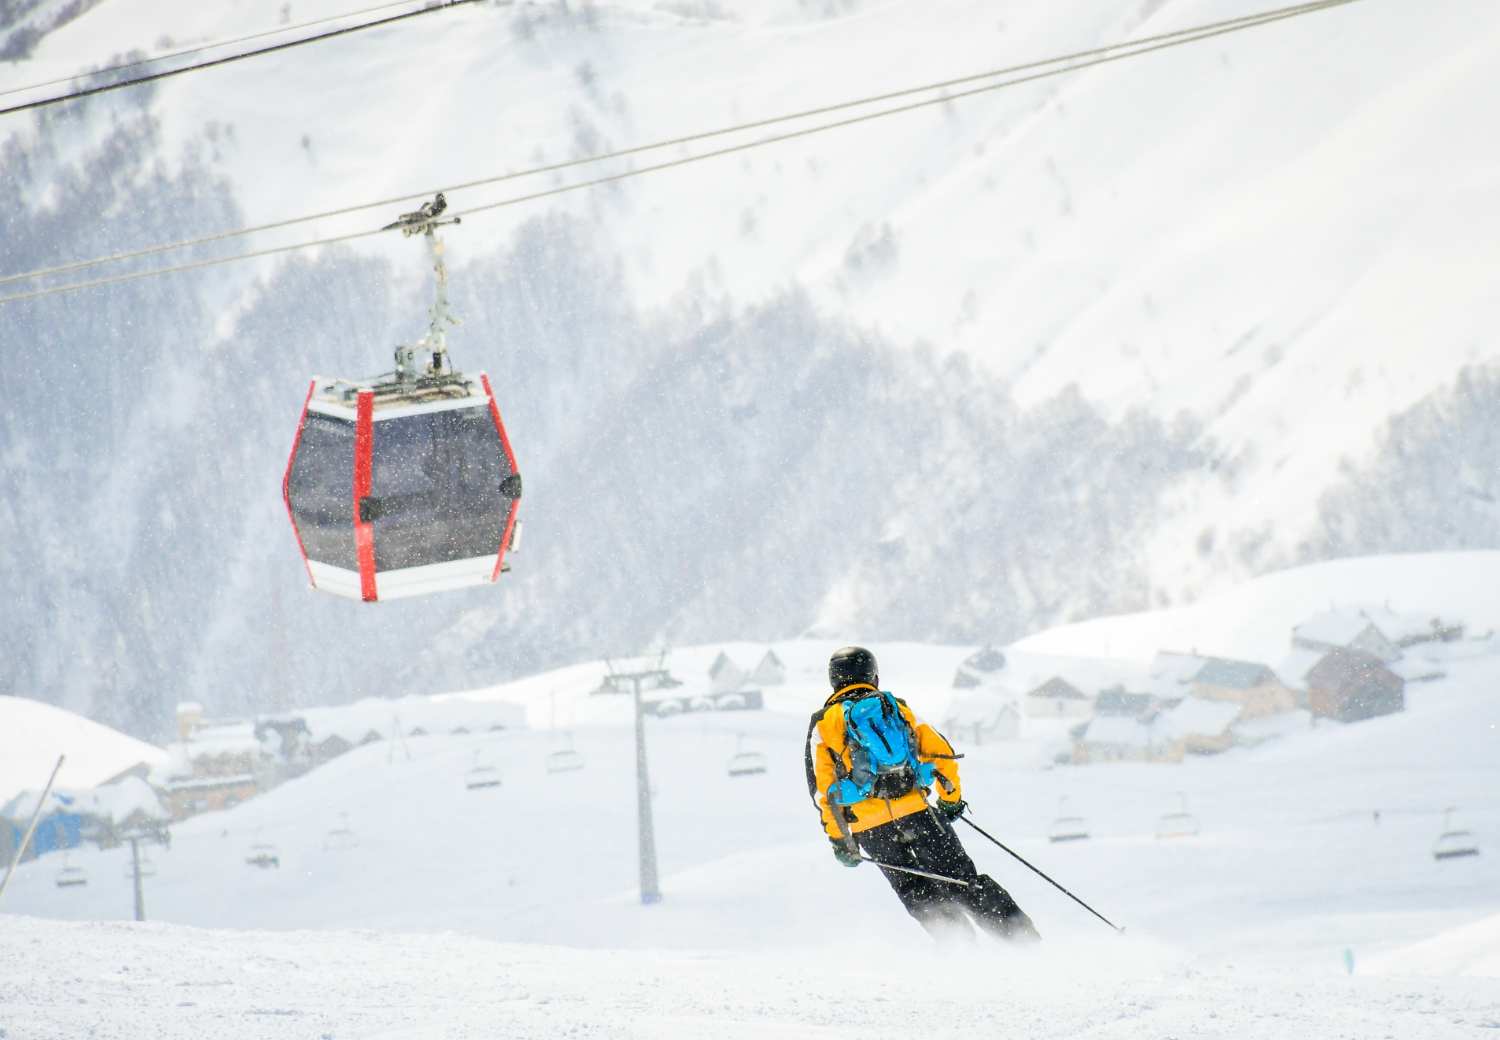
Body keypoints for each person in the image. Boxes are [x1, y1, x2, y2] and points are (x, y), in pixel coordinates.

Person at [805, 645, 1039, 942]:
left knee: (918, 895)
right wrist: (951, 800)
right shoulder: (896, 708)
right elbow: (941, 753)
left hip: (871, 830)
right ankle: (1024, 942)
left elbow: (824, 793)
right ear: (873, 676)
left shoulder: (823, 724)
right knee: (963, 882)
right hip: (918, 813)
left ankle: (962, 951)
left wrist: (841, 841)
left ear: (833, 680)